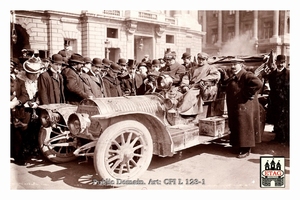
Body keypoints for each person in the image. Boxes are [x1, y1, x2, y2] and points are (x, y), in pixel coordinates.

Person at [225, 58, 263, 158]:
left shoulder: (246, 74)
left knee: (244, 125)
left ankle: (246, 149)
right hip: (236, 105)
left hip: (244, 105)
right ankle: (239, 146)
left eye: (235, 64)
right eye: (232, 64)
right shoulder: (234, 75)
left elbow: (258, 84)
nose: (232, 66)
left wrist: (246, 93)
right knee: (237, 125)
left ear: (241, 65)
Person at [10, 57, 42, 164]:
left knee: (30, 132)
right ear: (27, 72)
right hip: (21, 110)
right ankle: (18, 156)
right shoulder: (20, 81)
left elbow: (37, 93)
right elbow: (23, 95)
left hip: (32, 110)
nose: (35, 76)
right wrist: (21, 102)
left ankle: (28, 152)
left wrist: (36, 101)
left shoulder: (37, 80)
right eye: (33, 74)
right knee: (19, 134)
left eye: (36, 73)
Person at [266, 55, 289, 144]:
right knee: (276, 118)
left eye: (282, 62)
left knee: (285, 119)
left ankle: (286, 138)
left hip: (286, 101)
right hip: (275, 101)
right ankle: (278, 137)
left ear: (285, 62)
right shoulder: (271, 75)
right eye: (279, 62)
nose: (280, 64)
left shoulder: (288, 74)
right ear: (276, 62)